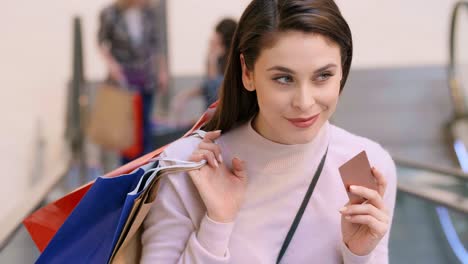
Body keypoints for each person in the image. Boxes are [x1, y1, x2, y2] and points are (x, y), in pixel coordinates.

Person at [141, 0, 397, 263]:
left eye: (323, 76)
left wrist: (358, 255)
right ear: (247, 72)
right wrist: (217, 224)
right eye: (284, 78)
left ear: (342, 69)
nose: (304, 102)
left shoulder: (366, 165)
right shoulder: (188, 168)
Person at [98, 0, 168, 164]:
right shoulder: (110, 13)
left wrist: (162, 71)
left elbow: (157, 44)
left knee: (145, 128)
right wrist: (112, 65)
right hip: (123, 81)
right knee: (128, 134)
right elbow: (101, 43)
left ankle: (147, 170)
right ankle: (128, 172)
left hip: (146, 78)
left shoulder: (149, 12)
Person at [171, 18, 238, 119]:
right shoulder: (217, 57)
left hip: (226, 116)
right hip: (213, 117)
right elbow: (206, 86)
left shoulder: (234, 60)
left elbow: (216, 91)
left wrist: (212, 60)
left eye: (217, 35)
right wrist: (185, 95)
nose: (212, 38)